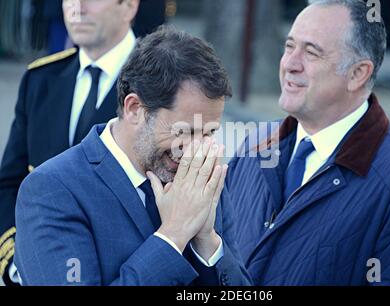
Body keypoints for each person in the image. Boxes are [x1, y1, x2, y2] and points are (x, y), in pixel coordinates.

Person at [226, 0, 390, 285]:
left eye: (311, 53)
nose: (290, 64)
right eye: (289, 46)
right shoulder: (255, 146)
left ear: (358, 74)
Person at [14, 26, 251, 286]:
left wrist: (207, 241)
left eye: (209, 133)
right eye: (185, 131)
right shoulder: (52, 191)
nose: (196, 150)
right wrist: (174, 235)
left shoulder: (204, 182)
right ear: (135, 108)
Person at [0, 0, 140, 285]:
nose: (76, 8)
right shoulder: (40, 80)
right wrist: (20, 262)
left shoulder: (164, 86)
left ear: (129, 5)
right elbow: (8, 184)